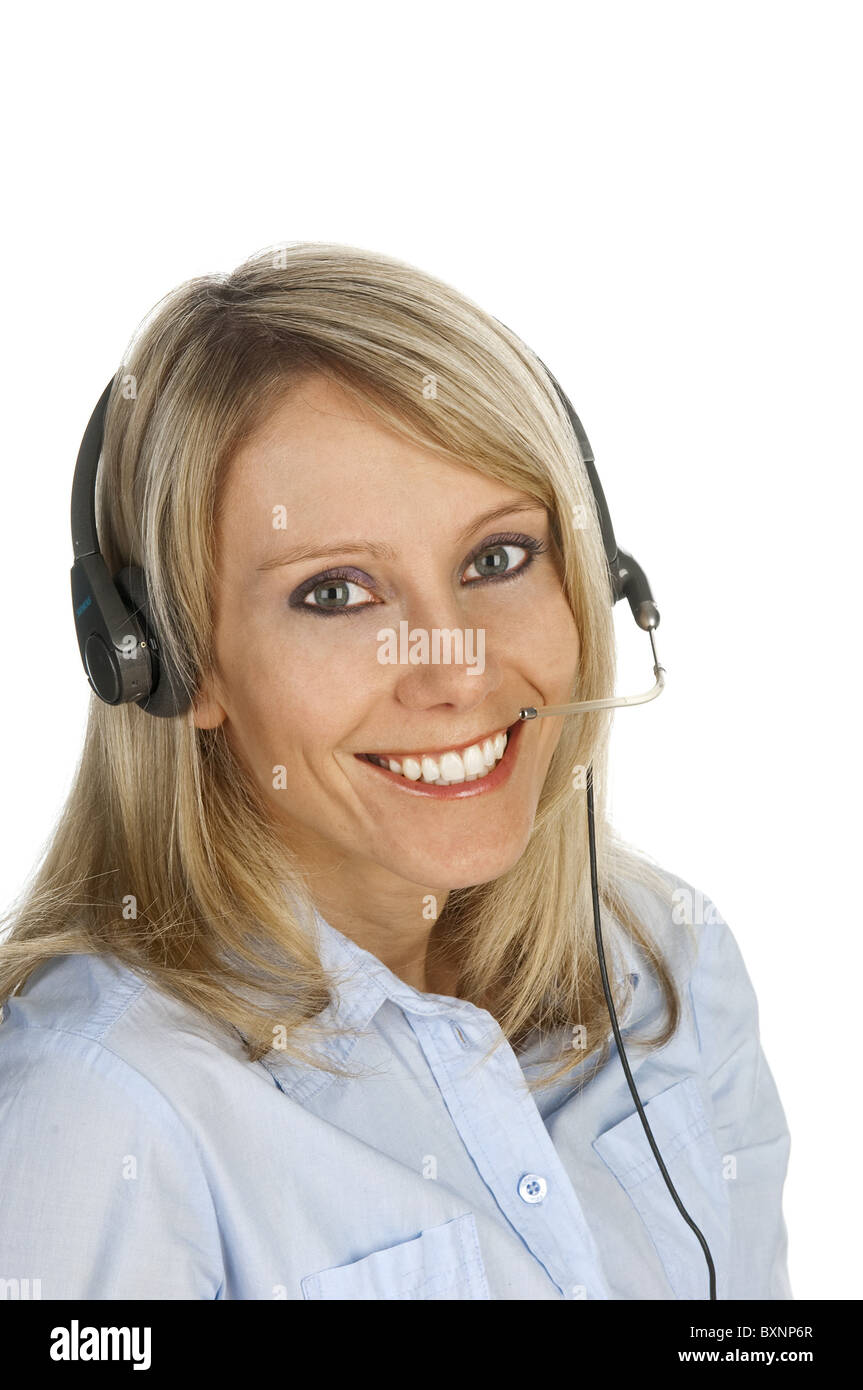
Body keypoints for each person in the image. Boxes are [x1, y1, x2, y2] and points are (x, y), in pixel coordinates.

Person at [0, 242, 791, 1300]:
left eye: (496, 559)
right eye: (336, 593)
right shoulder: (103, 1110)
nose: (454, 667)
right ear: (167, 659)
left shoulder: (664, 969)